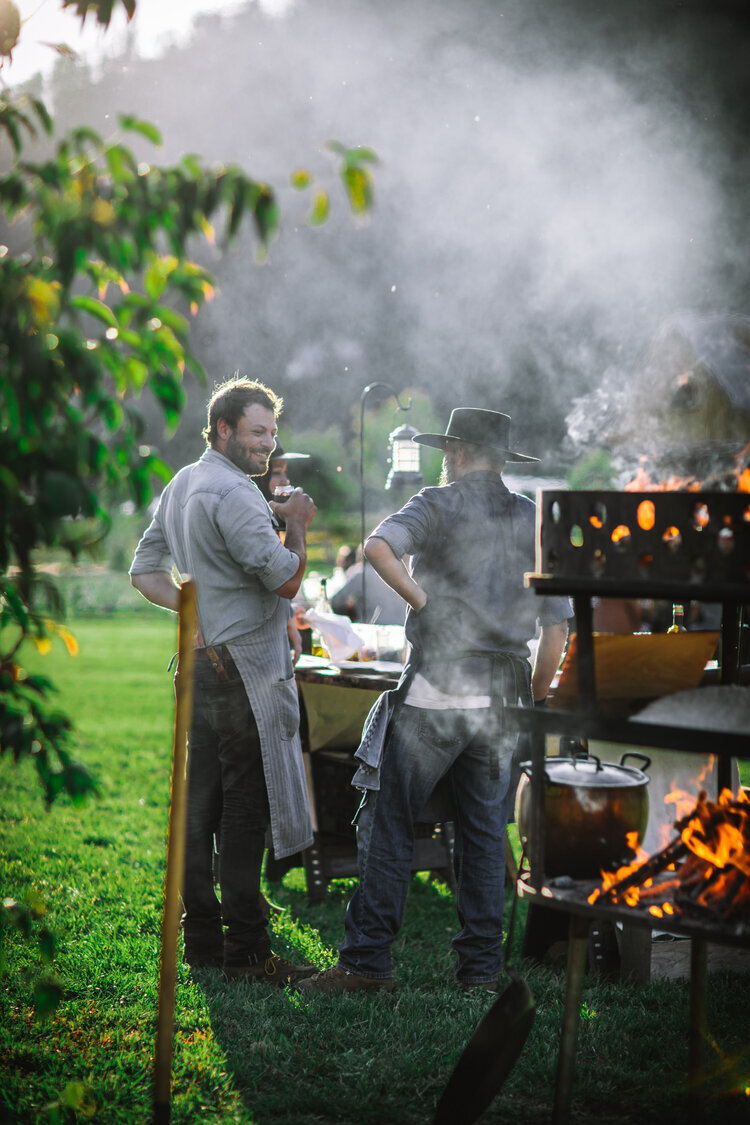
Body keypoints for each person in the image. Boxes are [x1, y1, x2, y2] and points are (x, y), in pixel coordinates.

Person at [297, 407, 571, 995]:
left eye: (449, 451)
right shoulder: (534, 520)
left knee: (390, 821)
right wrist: (536, 694)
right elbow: (557, 629)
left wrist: (425, 605)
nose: (445, 461)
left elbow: (377, 547)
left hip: (439, 688)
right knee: (482, 834)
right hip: (504, 696)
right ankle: (480, 972)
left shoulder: (438, 502)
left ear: (461, 454)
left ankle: (367, 964)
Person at [129, 376, 317, 985]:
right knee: (242, 811)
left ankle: (203, 941)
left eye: (272, 432)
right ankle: (249, 953)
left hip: (202, 664)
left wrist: (196, 625)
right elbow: (285, 580)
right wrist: (298, 522)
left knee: (198, 805)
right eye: (258, 432)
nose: (268, 443)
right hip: (243, 672)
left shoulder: (184, 482)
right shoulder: (234, 494)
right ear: (224, 429)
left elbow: (144, 572)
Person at [330, 545, 408, 625]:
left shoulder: (361, 575)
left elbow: (335, 602)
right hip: (402, 627)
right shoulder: (399, 573)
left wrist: (350, 608)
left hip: (373, 627)